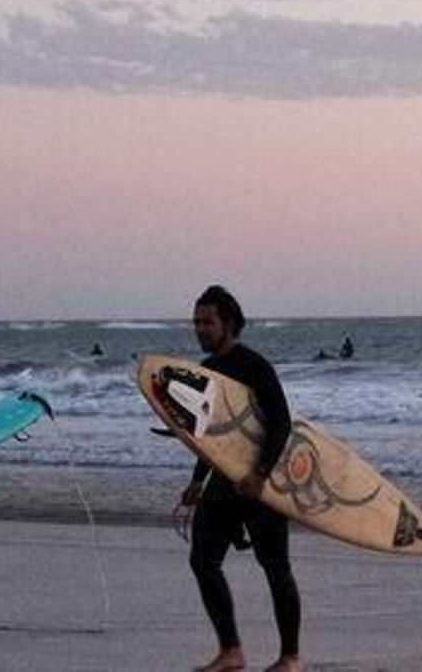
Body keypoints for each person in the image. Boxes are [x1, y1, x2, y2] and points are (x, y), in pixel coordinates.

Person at [180, 286, 302, 672]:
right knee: (203, 559)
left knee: (275, 565)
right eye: (196, 322)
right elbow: (212, 437)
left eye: (207, 322)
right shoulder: (207, 372)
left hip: (263, 479)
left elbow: (282, 423)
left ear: (228, 323)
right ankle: (231, 651)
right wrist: (198, 480)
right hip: (226, 479)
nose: (199, 329)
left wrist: (260, 474)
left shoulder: (254, 365)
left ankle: (290, 657)